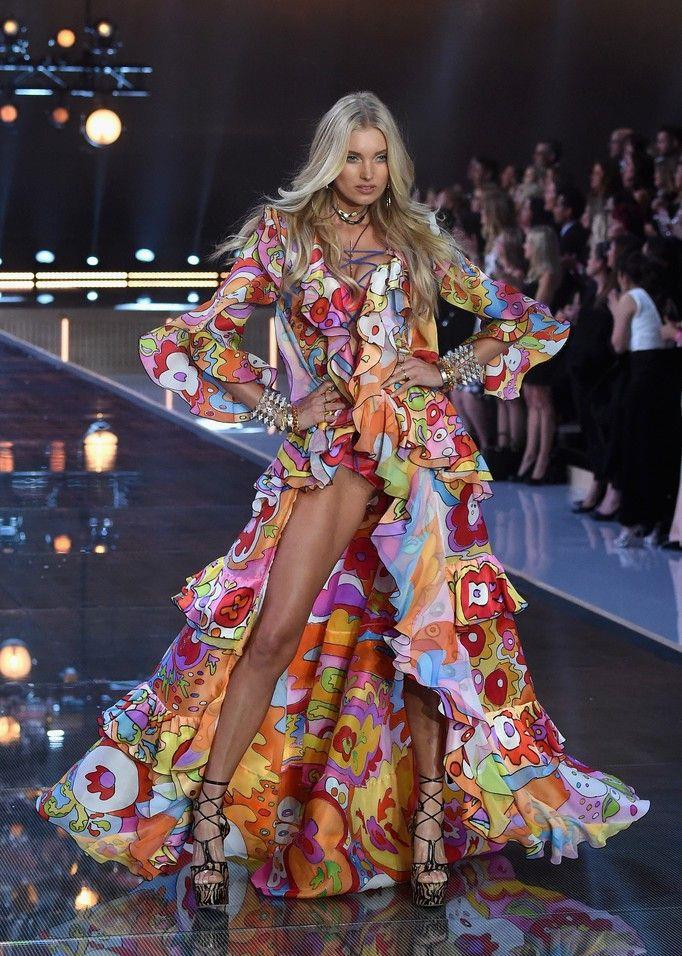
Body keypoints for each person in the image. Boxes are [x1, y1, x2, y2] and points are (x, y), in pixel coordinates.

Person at [36, 92, 649, 913]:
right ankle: (207, 818)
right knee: (271, 635)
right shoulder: (285, 236)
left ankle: (427, 828)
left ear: (394, 161)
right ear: (330, 158)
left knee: (432, 654)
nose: (367, 172)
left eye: (379, 157)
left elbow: (525, 319)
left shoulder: (419, 239)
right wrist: (278, 408)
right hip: (331, 459)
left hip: (423, 463)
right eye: (353, 157)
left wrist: (448, 369)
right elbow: (196, 336)